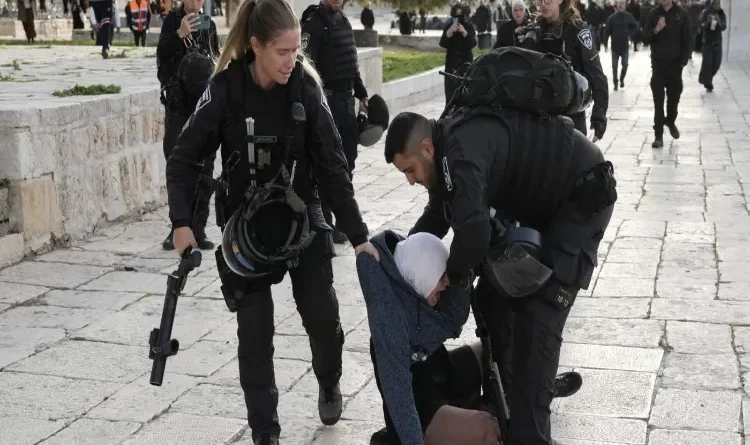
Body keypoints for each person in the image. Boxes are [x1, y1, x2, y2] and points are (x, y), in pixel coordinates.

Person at [165, 0, 379, 443]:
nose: (291, 61)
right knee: (255, 333)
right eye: (282, 52)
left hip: (303, 218)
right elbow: (183, 158)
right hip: (248, 232)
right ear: (256, 45)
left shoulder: (306, 89)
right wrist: (182, 223)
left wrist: (358, 237)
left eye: (296, 50)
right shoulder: (225, 90)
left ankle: (329, 378)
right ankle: (266, 430)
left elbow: (335, 167)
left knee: (322, 316)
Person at [381, 105, 616, 445]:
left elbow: (474, 233)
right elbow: (436, 218)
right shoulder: (446, 151)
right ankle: (505, 397)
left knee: (539, 319)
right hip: (545, 201)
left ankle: (530, 428)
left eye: (411, 169)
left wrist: (453, 282)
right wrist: (397, 262)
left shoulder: (458, 156)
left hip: (583, 191)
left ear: (427, 149)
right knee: (493, 298)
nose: (411, 179)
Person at [302, 0, 370, 244]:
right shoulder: (314, 25)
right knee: (327, 163)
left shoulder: (344, 22)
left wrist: (361, 93)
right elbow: (306, 68)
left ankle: (344, 218)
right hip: (325, 103)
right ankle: (326, 223)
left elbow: (350, 63)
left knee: (347, 161)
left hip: (345, 102)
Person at [157, 0, 219, 250]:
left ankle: (199, 228)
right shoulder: (171, 22)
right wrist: (179, 35)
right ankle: (177, 227)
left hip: (203, 105)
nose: (195, 3)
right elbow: (161, 56)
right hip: (179, 108)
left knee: (205, 167)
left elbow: (217, 59)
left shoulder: (209, 25)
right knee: (177, 165)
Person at [521, 0, 609, 141]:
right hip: (539, 117)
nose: (543, 4)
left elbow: (597, 75)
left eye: (547, 0)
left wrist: (599, 117)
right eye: (539, 1)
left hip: (571, 118)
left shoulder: (578, 30)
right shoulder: (536, 30)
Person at [642, 0, 691, 148]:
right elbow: (645, 38)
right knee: (658, 102)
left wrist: (683, 61)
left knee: (674, 99)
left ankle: (670, 121)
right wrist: (657, 29)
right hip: (658, 64)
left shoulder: (681, 14)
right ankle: (658, 136)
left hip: (675, 65)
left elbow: (688, 39)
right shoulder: (653, 14)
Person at [440, 5, 477, 103]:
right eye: (456, 16)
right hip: (451, 66)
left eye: (460, 16)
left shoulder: (469, 27)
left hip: (466, 65)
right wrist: (449, 33)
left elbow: (473, 43)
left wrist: (464, 32)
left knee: (465, 96)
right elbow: (442, 43)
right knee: (450, 96)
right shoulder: (448, 27)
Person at [605, 0, 638, 90]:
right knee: (614, 66)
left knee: (625, 64)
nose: (621, 6)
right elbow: (607, 31)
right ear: (617, 5)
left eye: (622, 4)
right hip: (615, 46)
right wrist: (605, 44)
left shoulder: (628, 16)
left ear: (625, 6)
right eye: (619, 4)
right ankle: (615, 83)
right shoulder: (612, 18)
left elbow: (635, 26)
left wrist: (631, 34)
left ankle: (622, 79)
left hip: (624, 46)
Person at [698, 0, 725, 92]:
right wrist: (707, 22)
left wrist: (719, 21)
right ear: (712, 4)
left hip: (717, 40)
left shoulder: (721, 13)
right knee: (707, 63)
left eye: (719, 3)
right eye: (716, 3)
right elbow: (702, 26)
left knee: (716, 63)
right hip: (707, 41)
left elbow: (723, 27)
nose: (717, 5)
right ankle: (708, 82)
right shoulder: (706, 13)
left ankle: (707, 79)